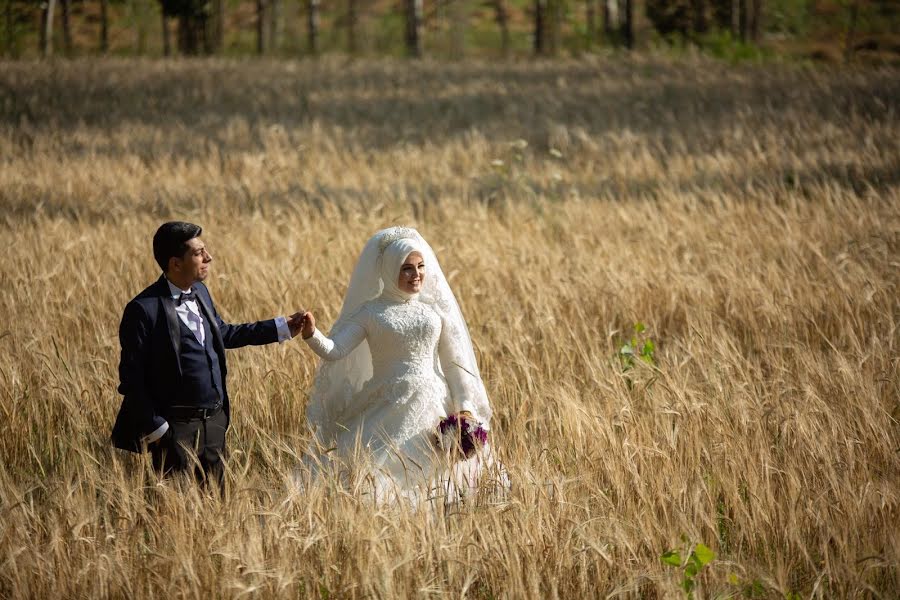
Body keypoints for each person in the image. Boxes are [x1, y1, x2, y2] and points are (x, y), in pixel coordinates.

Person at [297, 226, 502, 503]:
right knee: (374, 469)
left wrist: (464, 408)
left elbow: (454, 364)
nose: (416, 275)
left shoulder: (433, 311)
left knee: (439, 477)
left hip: (434, 407)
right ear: (391, 269)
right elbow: (335, 350)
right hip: (387, 403)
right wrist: (311, 334)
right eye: (406, 268)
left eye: (420, 267)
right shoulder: (371, 313)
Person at [111, 221, 305, 486]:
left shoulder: (200, 292)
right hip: (174, 430)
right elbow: (131, 379)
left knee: (218, 504)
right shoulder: (143, 309)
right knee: (176, 514)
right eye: (198, 252)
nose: (208, 257)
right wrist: (160, 430)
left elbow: (222, 333)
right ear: (176, 263)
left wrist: (280, 327)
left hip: (214, 423)